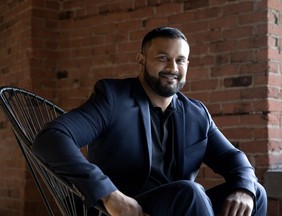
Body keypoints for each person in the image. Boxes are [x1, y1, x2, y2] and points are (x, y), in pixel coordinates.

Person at [32, 26, 267, 216]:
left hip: (179, 207)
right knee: (190, 192)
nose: (172, 68)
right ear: (141, 60)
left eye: (180, 60)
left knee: (254, 191)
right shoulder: (113, 98)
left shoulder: (196, 113)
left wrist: (244, 188)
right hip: (119, 209)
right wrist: (109, 193)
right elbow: (51, 138)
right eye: (163, 58)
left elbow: (232, 157)